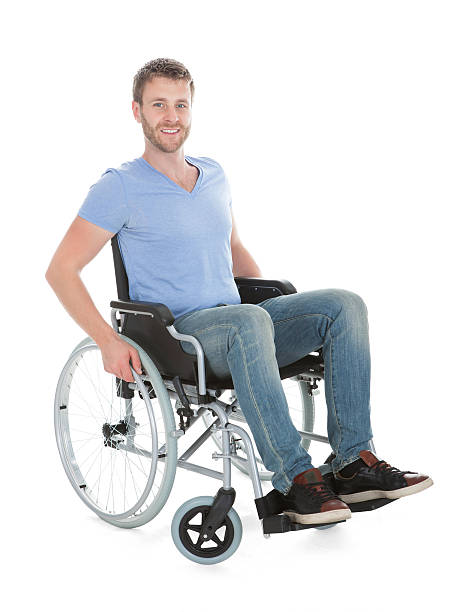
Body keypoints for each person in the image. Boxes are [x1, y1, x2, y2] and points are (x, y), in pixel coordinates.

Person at [46, 57, 433, 526]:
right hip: (179, 338)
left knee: (344, 305)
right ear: (137, 111)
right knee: (248, 321)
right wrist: (108, 341)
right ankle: (295, 481)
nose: (171, 116)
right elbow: (61, 270)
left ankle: (352, 462)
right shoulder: (119, 187)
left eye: (180, 105)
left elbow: (232, 249)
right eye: (159, 105)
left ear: (192, 109)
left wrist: (276, 308)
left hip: (239, 324)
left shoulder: (214, 175)